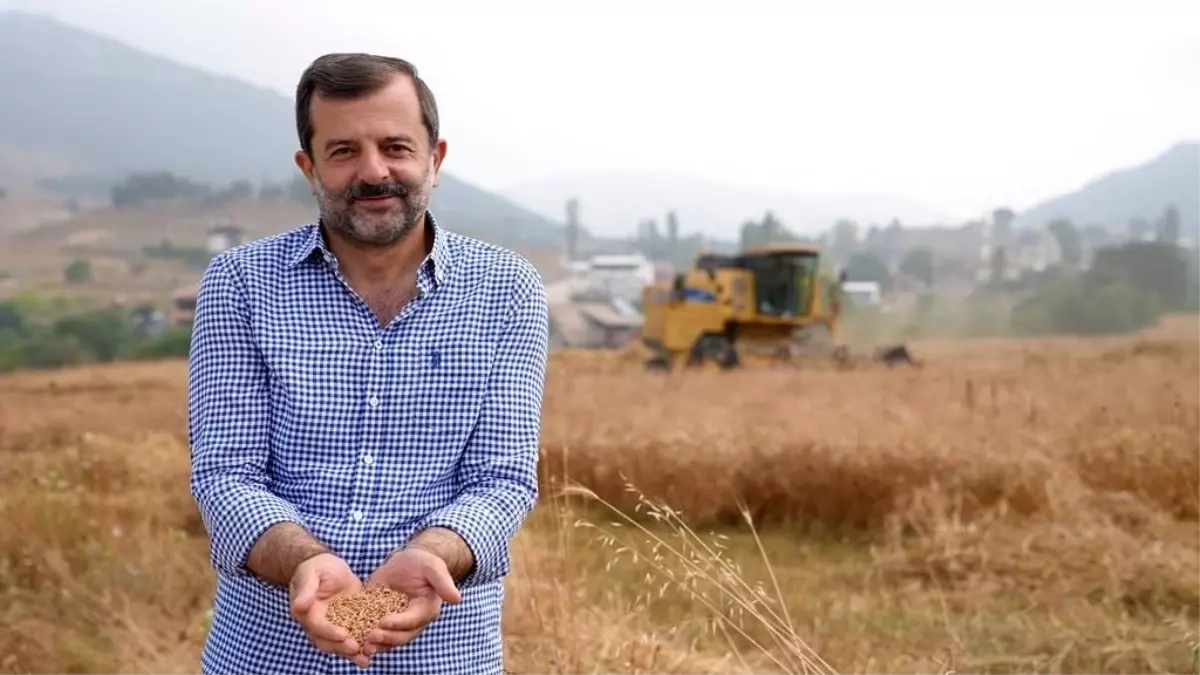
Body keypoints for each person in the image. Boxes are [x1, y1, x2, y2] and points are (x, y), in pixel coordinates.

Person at [187, 52, 550, 674]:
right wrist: (305, 563)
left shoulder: (508, 288)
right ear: (310, 167)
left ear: (435, 158)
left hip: (443, 656)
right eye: (344, 150)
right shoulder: (240, 283)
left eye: (396, 146)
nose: (374, 170)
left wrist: (433, 555)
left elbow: (502, 479)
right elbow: (225, 471)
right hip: (266, 655)